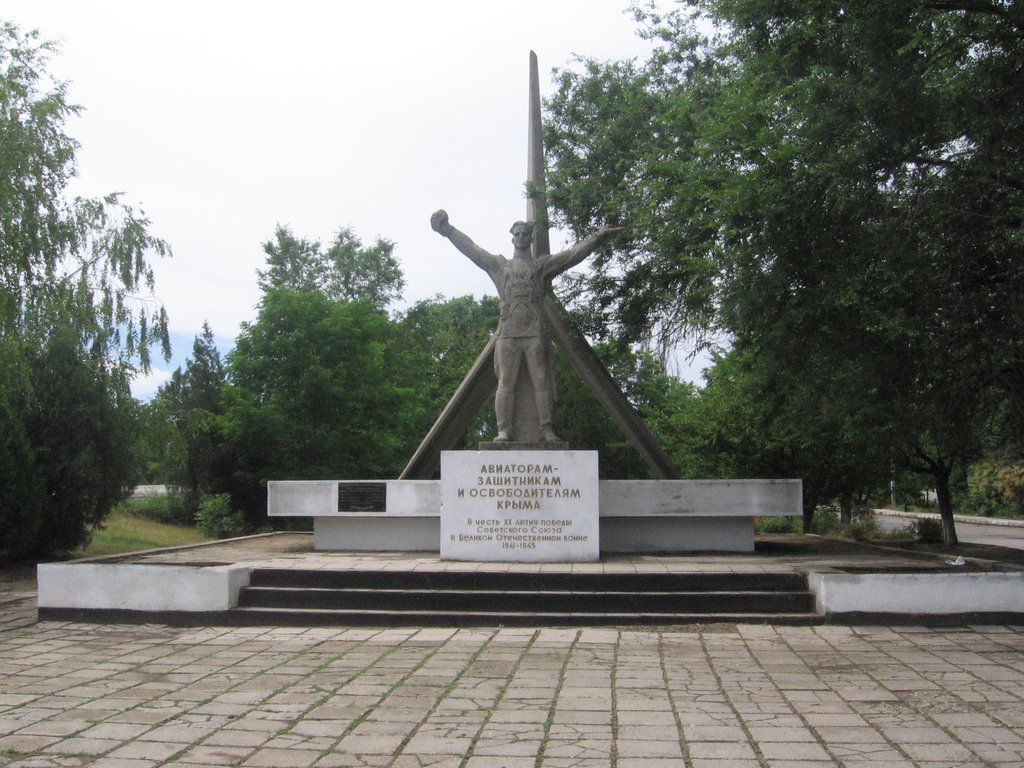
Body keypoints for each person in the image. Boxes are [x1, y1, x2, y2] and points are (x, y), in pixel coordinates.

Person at [431, 209, 621, 442]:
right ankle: (504, 430)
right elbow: (473, 250)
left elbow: (572, 255)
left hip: (535, 333)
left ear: (530, 239)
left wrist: (597, 236)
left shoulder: (541, 266)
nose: (521, 237)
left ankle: (546, 429)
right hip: (508, 334)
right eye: (517, 233)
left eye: (524, 234)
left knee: (541, 381)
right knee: (505, 382)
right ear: (512, 238)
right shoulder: (499, 265)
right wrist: (447, 230)